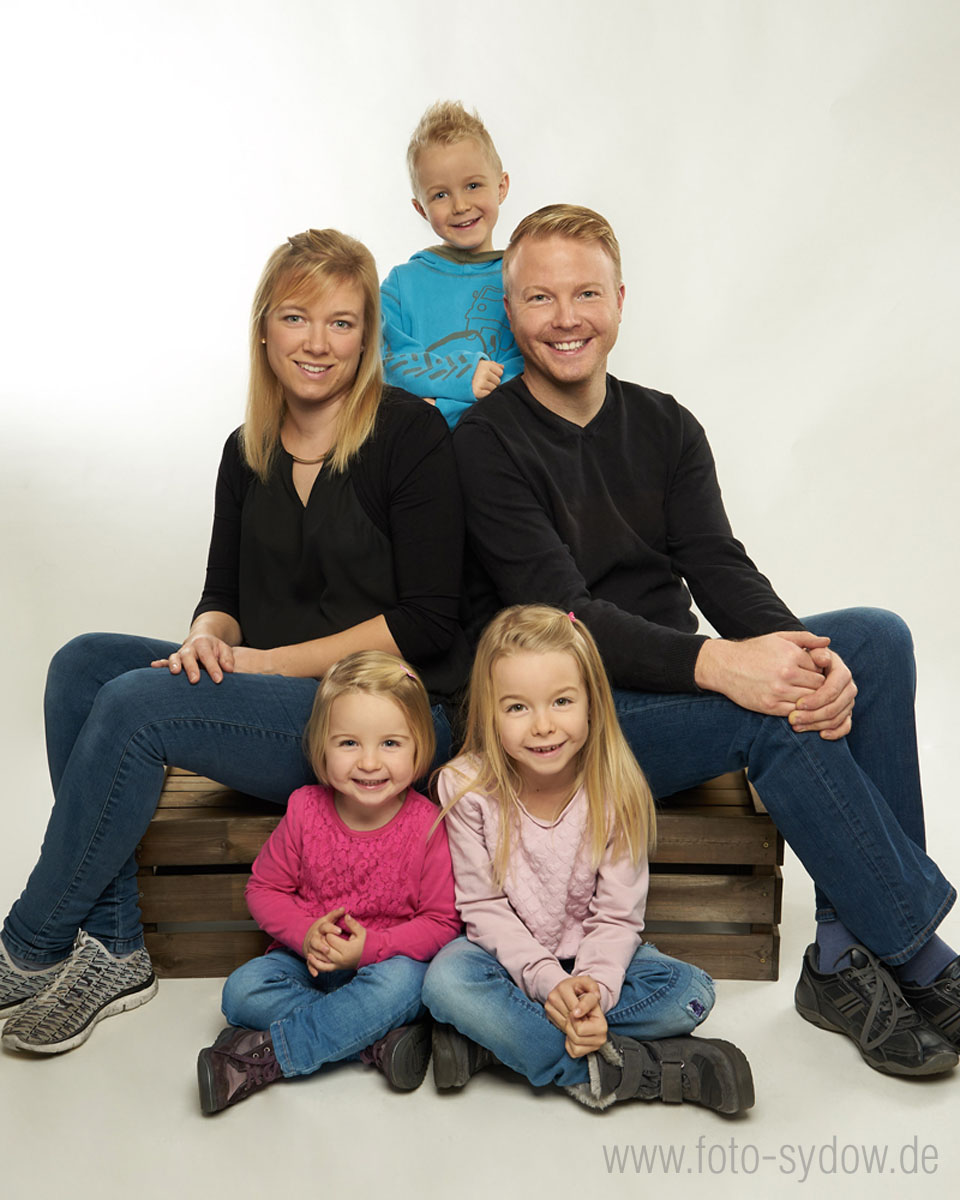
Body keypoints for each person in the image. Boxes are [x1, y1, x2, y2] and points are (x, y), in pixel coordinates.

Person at [451, 204, 960, 1078]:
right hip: (576, 722)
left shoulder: (666, 424)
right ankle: (914, 959)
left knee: (874, 640)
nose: (566, 318)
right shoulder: (485, 443)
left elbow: (718, 564)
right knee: (763, 715)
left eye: (586, 293)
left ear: (620, 299)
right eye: (540, 298)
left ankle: (843, 949)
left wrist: (804, 656)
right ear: (511, 309)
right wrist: (725, 665)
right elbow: (567, 616)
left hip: (672, 691)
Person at [0, 228, 469, 1056]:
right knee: (81, 666)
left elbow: (428, 620)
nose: (317, 343)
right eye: (296, 318)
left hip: (385, 719)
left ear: (367, 336)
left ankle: (28, 945)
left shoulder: (409, 434)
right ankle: (114, 947)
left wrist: (265, 664)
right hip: (274, 701)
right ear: (263, 329)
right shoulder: (245, 449)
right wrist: (207, 640)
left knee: (138, 705)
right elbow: (222, 596)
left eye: (342, 322)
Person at [422, 605, 755, 1114]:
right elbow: (483, 908)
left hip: (595, 959)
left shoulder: (615, 787)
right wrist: (548, 982)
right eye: (517, 707)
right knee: (446, 981)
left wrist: (594, 993)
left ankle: (497, 1042)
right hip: (507, 963)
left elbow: (618, 917)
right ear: (489, 714)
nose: (543, 726)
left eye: (561, 701)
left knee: (691, 992)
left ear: (592, 704)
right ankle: (622, 1070)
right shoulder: (466, 788)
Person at [196, 651, 460, 1113]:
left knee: (406, 985)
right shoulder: (305, 810)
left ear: (419, 748)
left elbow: (442, 923)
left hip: (385, 965)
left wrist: (370, 948)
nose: (369, 762)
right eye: (349, 743)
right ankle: (373, 1042)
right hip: (308, 963)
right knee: (241, 991)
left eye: (390, 743)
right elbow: (263, 889)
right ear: (322, 748)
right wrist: (305, 934)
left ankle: (269, 1056)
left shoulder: (428, 825)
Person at [380, 100, 523, 428]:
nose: (460, 205)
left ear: (501, 187)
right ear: (420, 209)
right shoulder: (400, 286)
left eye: (473, 186)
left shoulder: (523, 279)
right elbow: (390, 365)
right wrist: (464, 377)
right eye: (440, 195)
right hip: (420, 450)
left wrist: (438, 408)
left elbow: (529, 374)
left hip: (501, 445)